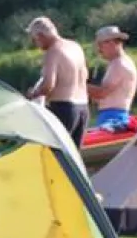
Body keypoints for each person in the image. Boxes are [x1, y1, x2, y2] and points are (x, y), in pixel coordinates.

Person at [24, 16, 89, 148]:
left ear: (41, 36)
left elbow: (48, 85)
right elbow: (85, 75)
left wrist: (33, 94)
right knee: (73, 158)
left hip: (64, 108)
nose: (36, 44)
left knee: (54, 156)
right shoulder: (75, 47)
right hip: (83, 108)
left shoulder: (53, 51)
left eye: (35, 40)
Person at [87, 26, 137, 133]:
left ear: (111, 43)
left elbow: (102, 93)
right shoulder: (116, 63)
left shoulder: (119, 64)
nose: (99, 50)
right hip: (111, 115)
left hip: (113, 118)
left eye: (100, 45)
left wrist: (77, 84)